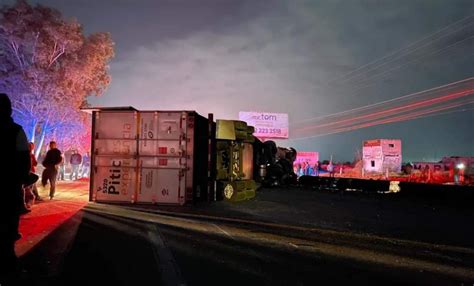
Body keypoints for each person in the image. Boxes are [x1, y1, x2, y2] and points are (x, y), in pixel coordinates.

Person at [0, 93, 31, 283]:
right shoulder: (16, 131)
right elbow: (24, 162)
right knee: (9, 224)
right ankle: (9, 264)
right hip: (8, 187)